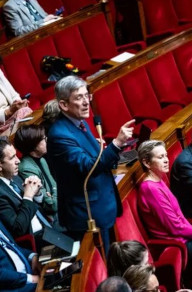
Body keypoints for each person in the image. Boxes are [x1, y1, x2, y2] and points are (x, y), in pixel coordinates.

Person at [46, 75, 135, 249]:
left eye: (87, 95)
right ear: (63, 105)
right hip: (87, 214)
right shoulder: (59, 135)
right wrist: (117, 143)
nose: (86, 102)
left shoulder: (79, 123)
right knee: (103, 265)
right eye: (79, 97)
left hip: (102, 204)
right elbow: (89, 167)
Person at [137, 140, 192, 262]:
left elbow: (179, 218)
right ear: (146, 162)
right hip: (179, 247)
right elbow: (175, 228)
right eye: (161, 157)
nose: (166, 160)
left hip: (186, 239)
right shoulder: (150, 189)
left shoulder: (159, 180)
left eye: (166, 155)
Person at [0, 139, 53, 243]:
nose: (18, 161)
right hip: (34, 240)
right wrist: (28, 197)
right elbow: (18, 229)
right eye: (12, 158)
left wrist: (37, 194)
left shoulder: (12, 175)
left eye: (16, 155)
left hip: (47, 227)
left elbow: (36, 207)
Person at [14, 125, 59, 223]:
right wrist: (55, 194)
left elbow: (53, 186)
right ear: (33, 145)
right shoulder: (26, 168)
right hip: (53, 219)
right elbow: (51, 205)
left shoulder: (42, 159)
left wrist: (53, 194)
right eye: (43, 139)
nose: (47, 140)